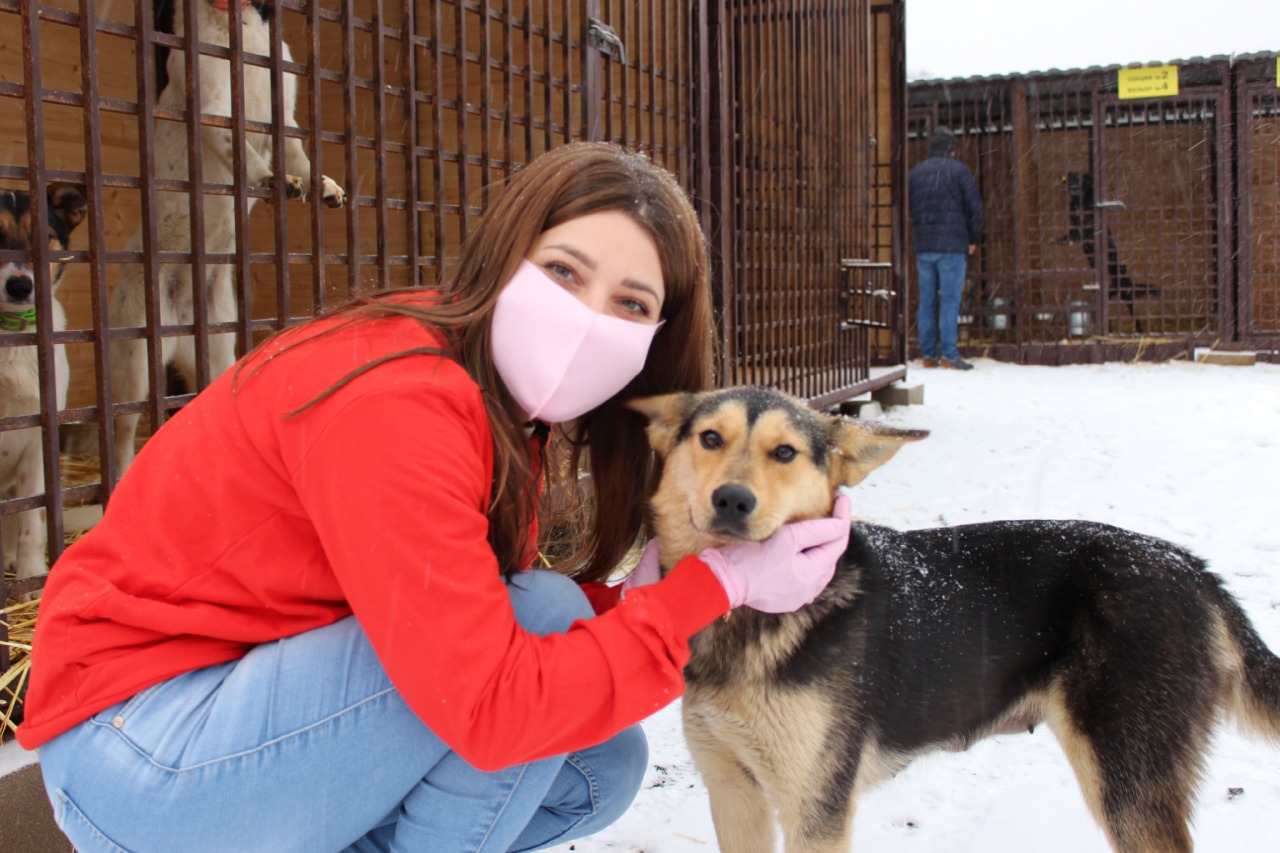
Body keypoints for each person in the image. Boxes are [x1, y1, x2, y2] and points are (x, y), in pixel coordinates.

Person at [18, 142, 853, 853]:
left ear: (654, 340)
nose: (588, 318)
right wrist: (714, 593)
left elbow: (449, 618)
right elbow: (489, 695)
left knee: (600, 767)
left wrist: (641, 602)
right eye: (564, 272)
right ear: (505, 257)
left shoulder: (493, 403)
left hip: (238, 709)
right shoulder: (402, 394)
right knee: (541, 621)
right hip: (136, 753)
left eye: (630, 304)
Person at [907, 126, 984, 370]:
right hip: (952, 245)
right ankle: (949, 354)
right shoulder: (960, 171)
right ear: (952, 150)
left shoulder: (915, 173)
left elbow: (909, 206)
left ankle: (928, 354)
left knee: (926, 300)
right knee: (950, 300)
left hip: (924, 245)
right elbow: (975, 208)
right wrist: (973, 238)